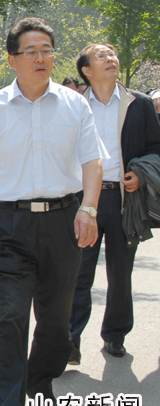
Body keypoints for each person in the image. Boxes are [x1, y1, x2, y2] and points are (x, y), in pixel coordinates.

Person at [0, 18, 105, 406]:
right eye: (31, 51)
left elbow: (92, 162)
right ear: (12, 60)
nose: (41, 57)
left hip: (64, 222)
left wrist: (89, 209)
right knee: (11, 317)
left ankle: (40, 383)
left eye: (47, 49)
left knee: (57, 322)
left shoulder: (74, 104)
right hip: (11, 224)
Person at [68, 44, 160, 365]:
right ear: (86, 70)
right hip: (85, 200)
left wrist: (140, 174)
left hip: (124, 199)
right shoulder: (74, 105)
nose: (110, 59)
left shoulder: (139, 104)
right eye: (101, 56)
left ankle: (115, 335)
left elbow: (156, 148)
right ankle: (71, 339)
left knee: (120, 273)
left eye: (112, 54)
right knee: (79, 272)